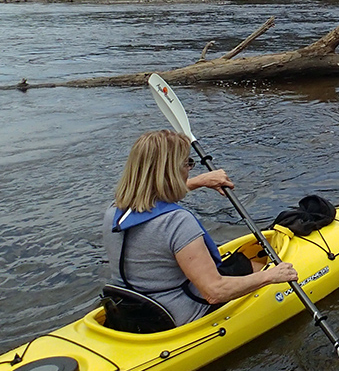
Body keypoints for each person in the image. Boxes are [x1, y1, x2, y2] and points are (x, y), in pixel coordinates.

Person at [103, 130, 298, 327]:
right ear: (172, 171)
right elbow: (214, 292)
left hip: (134, 309)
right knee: (257, 267)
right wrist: (270, 276)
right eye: (187, 163)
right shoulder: (177, 222)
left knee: (239, 263)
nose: (189, 169)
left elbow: (153, 196)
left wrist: (199, 181)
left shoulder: (114, 211)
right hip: (181, 314)